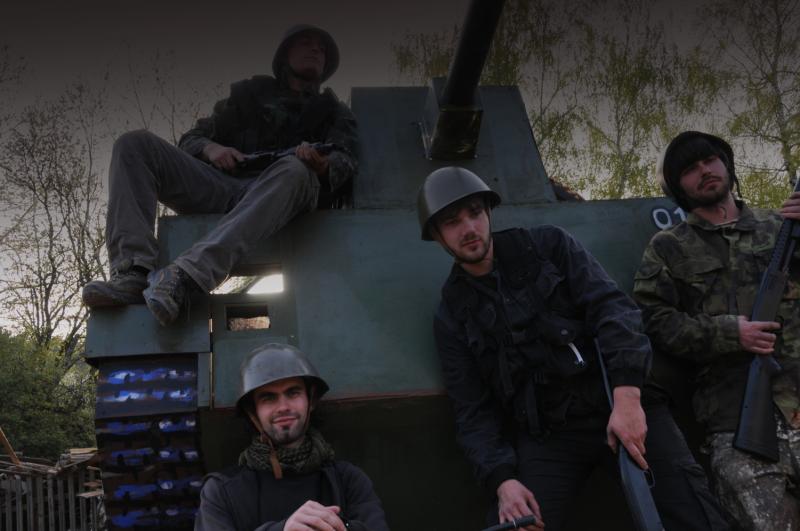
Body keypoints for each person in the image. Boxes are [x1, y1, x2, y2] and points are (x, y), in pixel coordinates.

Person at [417, 166, 729, 531]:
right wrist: (503, 480)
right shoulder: (453, 313)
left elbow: (614, 311)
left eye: (474, 213)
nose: (469, 228)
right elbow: (473, 412)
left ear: (488, 212)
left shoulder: (547, 247)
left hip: (617, 402)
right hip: (550, 437)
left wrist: (628, 399)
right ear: (437, 236)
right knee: (517, 527)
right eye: (452, 222)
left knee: (695, 516)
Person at [82, 24, 358, 325]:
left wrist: (321, 164)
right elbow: (191, 140)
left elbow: (346, 159)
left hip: (285, 194)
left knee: (295, 170)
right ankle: (132, 274)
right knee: (134, 145)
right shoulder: (247, 98)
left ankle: (186, 276)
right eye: (306, 42)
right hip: (226, 187)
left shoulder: (334, 112)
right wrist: (211, 148)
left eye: (322, 48)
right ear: (284, 55)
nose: (316, 49)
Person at [633, 131, 800, 530]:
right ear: (678, 186)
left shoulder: (782, 227)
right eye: (690, 169)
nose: (704, 171)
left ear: (726, 165)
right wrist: (729, 333)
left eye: (710, 160)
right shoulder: (668, 247)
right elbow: (653, 320)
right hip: (737, 422)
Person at [194, 342, 389, 530]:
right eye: (268, 398)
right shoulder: (222, 492)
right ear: (253, 411)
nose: (283, 407)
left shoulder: (348, 481)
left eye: (293, 393)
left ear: (311, 400)